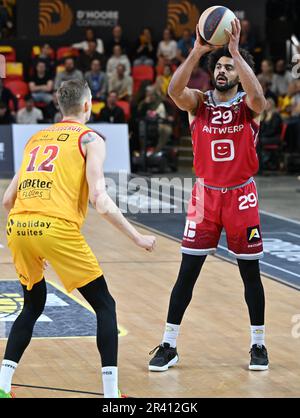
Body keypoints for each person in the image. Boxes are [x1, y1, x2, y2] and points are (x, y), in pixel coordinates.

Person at [1, 79, 155, 399]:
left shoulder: (35, 137)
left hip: (18, 226)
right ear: (88, 106)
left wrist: (28, 229)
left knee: (33, 304)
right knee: (104, 305)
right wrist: (136, 236)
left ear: (60, 105)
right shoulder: (90, 138)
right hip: (56, 229)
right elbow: (99, 199)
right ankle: (111, 394)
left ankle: (2, 385)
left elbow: (6, 199)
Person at [149, 20, 268, 373]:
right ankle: (169, 344)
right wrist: (198, 50)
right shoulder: (198, 103)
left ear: (239, 72)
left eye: (228, 67)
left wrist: (235, 52)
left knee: (251, 274)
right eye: (218, 66)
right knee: (187, 273)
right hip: (205, 197)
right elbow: (173, 91)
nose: (221, 70)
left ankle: (258, 344)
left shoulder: (248, 106)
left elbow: (259, 98)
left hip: (241, 197)